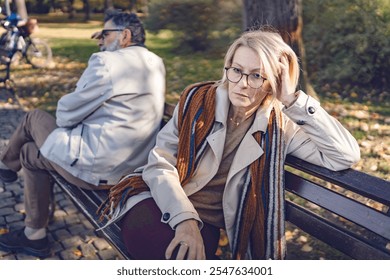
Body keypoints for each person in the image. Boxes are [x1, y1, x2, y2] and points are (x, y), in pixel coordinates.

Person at [98, 28, 360, 260]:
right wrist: (185, 220)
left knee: (177, 256)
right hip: (165, 201)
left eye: (257, 76)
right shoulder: (197, 101)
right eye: (236, 71)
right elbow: (160, 163)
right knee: (151, 240)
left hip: (209, 224)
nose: (242, 85)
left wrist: (292, 100)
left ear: (276, 81)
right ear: (228, 66)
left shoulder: (281, 126)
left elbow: (344, 156)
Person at [0, 11, 166, 257]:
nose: (99, 39)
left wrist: (102, 54)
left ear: (125, 36)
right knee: (29, 153)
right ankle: (34, 234)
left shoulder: (107, 63)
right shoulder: (155, 62)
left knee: (33, 117)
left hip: (98, 170)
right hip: (130, 166)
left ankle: (5, 167)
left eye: (104, 34)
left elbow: (65, 115)